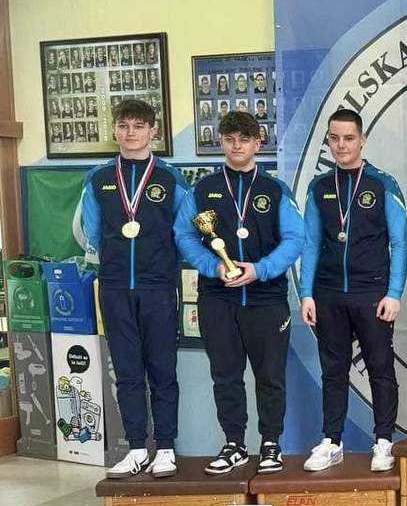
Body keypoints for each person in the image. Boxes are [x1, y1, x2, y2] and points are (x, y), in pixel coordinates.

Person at [175, 111, 304, 475]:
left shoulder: (275, 190)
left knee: (270, 377)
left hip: (266, 299)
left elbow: (295, 239)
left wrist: (259, 270)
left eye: (244, 140)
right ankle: (234, 444)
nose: (237, 146)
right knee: (225, 375)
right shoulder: (203, 190)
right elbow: (184, 235)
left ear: (257, 144)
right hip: (218, 298)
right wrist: (212, 266)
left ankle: (271, 443)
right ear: (221, 141)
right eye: (230, 139)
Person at [83, 100, 189, 480]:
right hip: (114, 287)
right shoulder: (98, 179)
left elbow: (184, 232)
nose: (131, 133)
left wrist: (159, 263)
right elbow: (91, 232)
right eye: (124, 125)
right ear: (115, 130)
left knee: (162, 370)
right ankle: (136, 449)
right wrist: (116, 263)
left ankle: (166, 448)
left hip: (158, 286)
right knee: (127, 372)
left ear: (153, 131)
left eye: (139, 126)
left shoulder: (171, 178)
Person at [299, 109, 407, 472]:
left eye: (349, 138)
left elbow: (400, 242)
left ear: (362, 139)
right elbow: (311, 243)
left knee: (380, 368)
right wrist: (306, 293)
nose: (341, 145)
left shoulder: (382, 184)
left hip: (372, 293)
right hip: (328, 293)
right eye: (335, 138)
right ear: (328, 140)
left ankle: (383, 441)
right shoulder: (319, 187)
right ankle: (332, 441)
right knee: (333, 371)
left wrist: (394, 293)